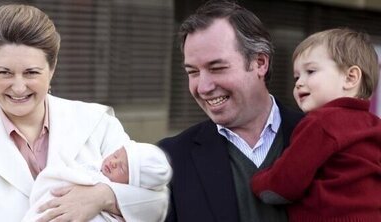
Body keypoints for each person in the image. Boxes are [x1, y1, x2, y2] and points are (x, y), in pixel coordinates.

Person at [0, 4, 168, 222]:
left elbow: (157, 200)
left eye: (31, 72)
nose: (19, 87)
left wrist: (103, 196)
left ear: (52, 68)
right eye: (5, 73)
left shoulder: (96, 123)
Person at [157, 1, 304, 221]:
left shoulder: (328, 139)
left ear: (260, 62)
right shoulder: (170, 160)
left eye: (217, 68)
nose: (203, 87)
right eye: (193, 72)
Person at [251, 28, 381, 221]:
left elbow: (284, 184)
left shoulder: (321, 122)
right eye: (297, 77)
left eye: (310, 71)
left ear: (350, 77)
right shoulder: (374, 125)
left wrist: (257, 181)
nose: (299, 83)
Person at [23, 141, 172, 221]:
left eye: (122, 168)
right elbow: (53, 179)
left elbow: (157, 200)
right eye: (115, 155)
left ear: (132, 185)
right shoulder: (89, 168)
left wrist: (104, 194)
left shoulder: (102, 121)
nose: (113, 162)